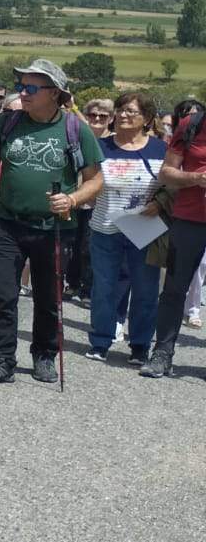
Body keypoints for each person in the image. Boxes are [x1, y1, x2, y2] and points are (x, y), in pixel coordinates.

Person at [0, 59, 105, 384]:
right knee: (3, 295)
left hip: (55, 228)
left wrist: (73, 199)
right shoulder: (7, 123)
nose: (23, 93)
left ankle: (44, 354)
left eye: (31, 88)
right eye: (21, 86)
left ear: (55, 93)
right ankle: (1, 359)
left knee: (48, 297)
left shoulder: (76, 129)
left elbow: (95, 179)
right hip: (6, 222)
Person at [86, 93, 164, 363]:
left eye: (131, 111)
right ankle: (100, 341)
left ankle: (140, 345)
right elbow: (88, 181)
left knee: (145, 288)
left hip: (145, 229)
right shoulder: (100, 147)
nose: (123, 115)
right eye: (120, 110)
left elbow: (171, 187)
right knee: (104, 287)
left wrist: (161, 203)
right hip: (105, 227)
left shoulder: (160, 149)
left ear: (147, 119)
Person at [143, 100, 206, 377]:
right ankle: (162, 353)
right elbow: (167, 173)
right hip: (190, 219)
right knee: (174, 288)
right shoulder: (191, 125)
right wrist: (196, 178)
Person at [64, 99, 114, 302]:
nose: (97, 119)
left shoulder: (113, 141)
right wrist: (73, 107)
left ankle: (87, 288)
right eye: (93, 115)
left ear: (111, 119)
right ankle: (72, 283)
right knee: (72, 244)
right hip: (76, 196)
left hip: (100, 201)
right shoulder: (80, 136)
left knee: (89, 246)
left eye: (102, 116)